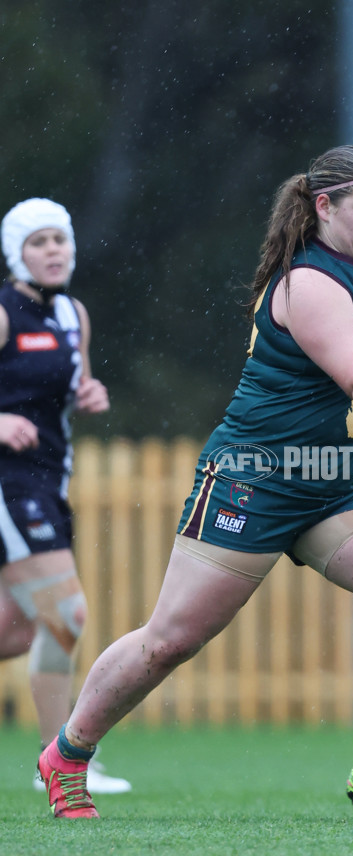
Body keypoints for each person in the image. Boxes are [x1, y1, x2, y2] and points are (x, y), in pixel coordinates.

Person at [38, 146, 353, 819]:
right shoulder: (308, 286)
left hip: (333, 482)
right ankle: (68, 751)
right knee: (170, 639)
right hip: (252, 480)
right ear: (323, 206)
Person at [0, 197, 131, 794]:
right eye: (39, 242)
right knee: (65, 614)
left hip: (50, 482)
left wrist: (88, 393)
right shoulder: (3, 312)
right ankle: (59, 761)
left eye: (61, 240)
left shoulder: (74, 314)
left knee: (23, 629)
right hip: (9, 483)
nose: (54, 251)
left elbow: (70, 383)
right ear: (16, 254)